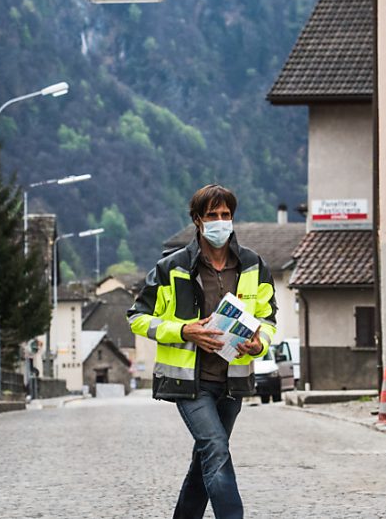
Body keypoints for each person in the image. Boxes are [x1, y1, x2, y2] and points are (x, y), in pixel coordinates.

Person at [128, 184, 278, 519]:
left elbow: (268, 318)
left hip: (233, 380)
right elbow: (137, 318)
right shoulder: (172, 267)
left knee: (207, 457)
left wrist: (260, 343)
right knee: (215, 448)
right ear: (198, 220)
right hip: (189, 382)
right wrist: (184, 330)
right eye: (213, 215)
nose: (221, 222)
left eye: (226, 215)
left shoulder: (253, 265)